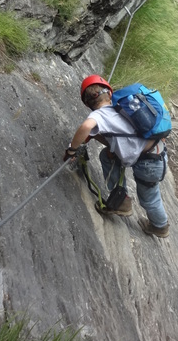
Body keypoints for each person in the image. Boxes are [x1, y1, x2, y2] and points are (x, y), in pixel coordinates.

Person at [64, 75, 170, 238]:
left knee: (149, 198)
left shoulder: (99, 116)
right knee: (107, 156)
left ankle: (160, 226)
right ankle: (122, 200)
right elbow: (119, 136)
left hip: (148, 163)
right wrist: (94, 136)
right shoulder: (121, 107)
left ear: (88, 104)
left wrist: (72, 150)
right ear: (110, 94)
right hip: (155, 154)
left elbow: (86, 126)